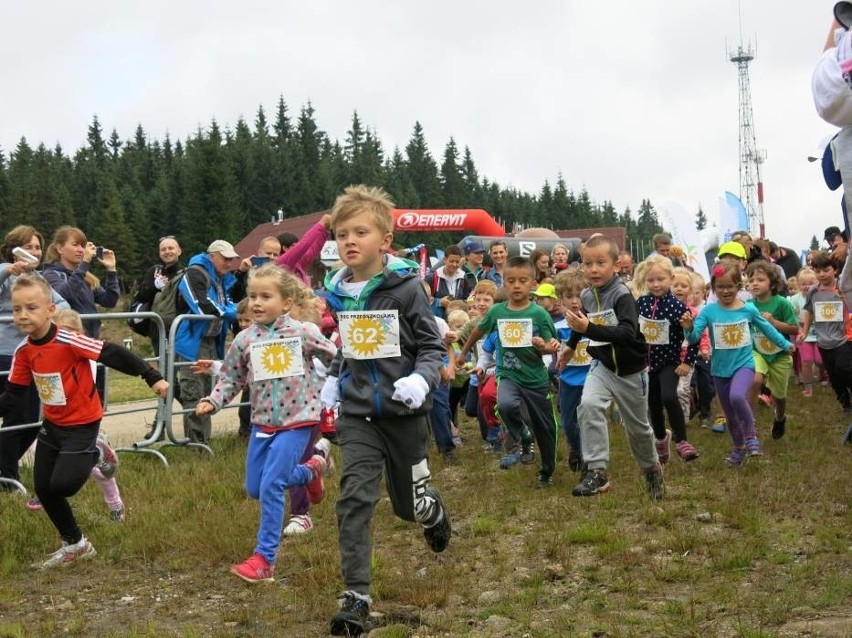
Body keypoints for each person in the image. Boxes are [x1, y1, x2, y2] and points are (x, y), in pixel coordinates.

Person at [320, 185, 450, 636]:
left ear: (386, 240)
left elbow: (432, 347)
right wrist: (333, 382)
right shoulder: (339, 294)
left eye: (360, 231)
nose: (349, 241)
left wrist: (420, 379)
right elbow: (352, 348)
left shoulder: (407, 288)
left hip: (405, 413)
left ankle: (431, 509)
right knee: (354, 498)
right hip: (359, 416)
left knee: (407, 508)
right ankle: (356, 597)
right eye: (341, 234)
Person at [0, 275, 168, 569]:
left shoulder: (67, 339)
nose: (23, 315)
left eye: (31, 308)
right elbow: (12, 395)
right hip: (52, 425)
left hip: (83, 424)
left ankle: (96, 453)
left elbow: (112, 352)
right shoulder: (24, 352)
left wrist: (150, 375)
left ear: (50, 309)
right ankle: (76, 543)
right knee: (44, 489)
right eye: (16, 310)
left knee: (63, 485)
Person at [196, 264, 336, 583]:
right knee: (256, 487)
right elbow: (232, 377)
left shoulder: (303, 332)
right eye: (252, 296)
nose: (256, 303)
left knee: (272, 484)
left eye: (265, 296)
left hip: (298, 421)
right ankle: (313, 469)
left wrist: (331, 387)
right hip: (263, 423)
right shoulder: (245, 340)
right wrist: (213, 401)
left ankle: (264, 560)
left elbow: (335, 358)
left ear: (286, 303)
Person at [557, 235, 664, 499]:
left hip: (631, 370)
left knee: (638, 428)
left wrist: (589, 329)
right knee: (589, 405)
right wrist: (571, 345)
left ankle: (652, 470)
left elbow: (628, 333)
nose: (593, 269)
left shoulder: (621, 294)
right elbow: (582, 323)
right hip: (602, 365)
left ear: (615, 265)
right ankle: (597, 471)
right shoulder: (586, 295)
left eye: (600, 263)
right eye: (587, 263)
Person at [457, 256, 560, 486]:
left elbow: (550, 343)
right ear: (503, 282)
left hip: (535, 378)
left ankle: (547, 470)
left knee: (546, 427)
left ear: (532, 284)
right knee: (504, 404)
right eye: (511, 280)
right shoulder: (496, 312)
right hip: (508, 373)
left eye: (522, 280)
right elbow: (477, 332)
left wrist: (544, 345)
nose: (516, 285)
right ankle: (523, 435)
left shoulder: (539, 314)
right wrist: (463, 354)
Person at [680, 263, 793, 466]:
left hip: (744, 365)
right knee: (730, 415)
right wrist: (688, 328)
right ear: (713, 288)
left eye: (730, 286)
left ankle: (751, 438)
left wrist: (785, 344)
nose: (725, 291)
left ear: (739, 286)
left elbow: (767, 328)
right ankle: (739, 448)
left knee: (737, 396)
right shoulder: (708, 311)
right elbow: (695, 336)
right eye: (721, 287)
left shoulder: (747, 309)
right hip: (720, 370)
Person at [0, 226, 68, 491]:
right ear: (14, 248)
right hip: (4, 354)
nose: (35, 252)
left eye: (38, 247)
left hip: (30, 355)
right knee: (17, 417)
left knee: (31, 419)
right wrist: (8, 270)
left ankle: (4, 470)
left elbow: (62, 304)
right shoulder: (7, 272)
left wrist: (52, 311)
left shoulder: (39, 278)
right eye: (28, 246)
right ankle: (7, 477)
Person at [52, 308, 126, 522]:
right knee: (52, 459)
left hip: (83, 421)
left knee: (97, 470)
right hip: (60, 421)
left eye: (70, 333)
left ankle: (115, 504)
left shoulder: (84, 356)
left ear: (79, 334)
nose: (65, 339)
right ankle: (47, 493)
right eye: (59, 333)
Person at [634, 256, 700, 463]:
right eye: (651, 280)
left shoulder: (679, 308)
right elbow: (633, 330)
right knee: (652, 404)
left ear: (670, 278)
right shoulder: (641, 304)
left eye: (660, 279)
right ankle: (661, 439)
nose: (655, 284)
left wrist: (687, 362)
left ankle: (682, 441)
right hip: (646, 364)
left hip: (669, 362)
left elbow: (693, 339)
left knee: (669, 397)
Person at [174, 240, 239, 444]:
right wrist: (236, 313)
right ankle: (196, 445)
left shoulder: (220, 278)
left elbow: (223, 304)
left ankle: (204, 441)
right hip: (192, 342)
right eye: (225, 258)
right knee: (193, 392)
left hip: (212, 340)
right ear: (212, 256)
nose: (229, 263)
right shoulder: (195, 273)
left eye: (231, 259)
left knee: (208, 393)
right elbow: (202, 307)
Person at [797, 252, 852, 416]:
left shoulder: (843, 288)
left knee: (844, 368)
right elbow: (809, 312)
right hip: (823, 342)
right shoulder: (814, 291)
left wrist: (844, 299)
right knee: (834, 377)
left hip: (844, 339)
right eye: (818, 270)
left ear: (835, 270)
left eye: (826, 270)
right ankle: (846, 405)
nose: (822, 274)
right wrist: (805, 332)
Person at [42, 226, 120, 340]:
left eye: (83, 246)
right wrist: (85, 264)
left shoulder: (86, 276)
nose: (81, 250)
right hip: (68, 338)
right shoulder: (51, 274)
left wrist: (111, 270)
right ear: (59, 248)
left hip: (92, 337)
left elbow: (109, 301)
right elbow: (66, 295)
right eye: (75, 245)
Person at [552, 269, 591, 471]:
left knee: (588, 420)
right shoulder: (557, 326)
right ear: (560, 299)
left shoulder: (594, 323)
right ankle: (576, 448)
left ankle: (588, 458)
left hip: (593, 379)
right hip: (567, 380)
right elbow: (549, 349)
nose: (575, 301)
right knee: (568, 422)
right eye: (569, 296)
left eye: (580, 295)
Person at [131, 235, 184, 352]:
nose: (167, 252)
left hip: (179, 329)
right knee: (163, 368)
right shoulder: (154, 271)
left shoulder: (186, 273)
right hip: (157, 329)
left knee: (181, 365)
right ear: (159, 253)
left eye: (171, 248)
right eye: (163, 249)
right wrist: (154, 287)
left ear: (179, 251)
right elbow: (141, 297)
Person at [788, 267, 824, 397]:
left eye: (810, 283)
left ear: (817, 283)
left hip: (820, 333)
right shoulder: (794, 300)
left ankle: (823, 374)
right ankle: (808, 386)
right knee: (806, 360)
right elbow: (792, 317)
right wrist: (798, 330)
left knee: (820, 360)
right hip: (803, 334)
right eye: (803, 284)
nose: (807, 286)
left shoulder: (821, 296)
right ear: (798, 284)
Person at [276, 215, 332, 286]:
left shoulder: (297, 264)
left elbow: (313, 249)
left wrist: (325, 231)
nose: (298, 248)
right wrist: (321, 224)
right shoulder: (282, 263)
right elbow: (304, 245)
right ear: (285, 248)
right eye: (294, 246)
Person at [429, 245, 476, 320]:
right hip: (438, 321)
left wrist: (460, 304)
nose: (454, 264)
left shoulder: (464, 277)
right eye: (451, 261)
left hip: (458, 321)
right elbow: (423, 299)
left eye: (457, 262)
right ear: (444, 260)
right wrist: (439, 302)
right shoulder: (432, 277)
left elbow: (469, 298)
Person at [229, 236, 282, 302]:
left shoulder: (281, 277)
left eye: (275, 255)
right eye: (268, 253)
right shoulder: (247, 273)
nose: (271, 257)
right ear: (259, 252)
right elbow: (231, 296)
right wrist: (241, 271)